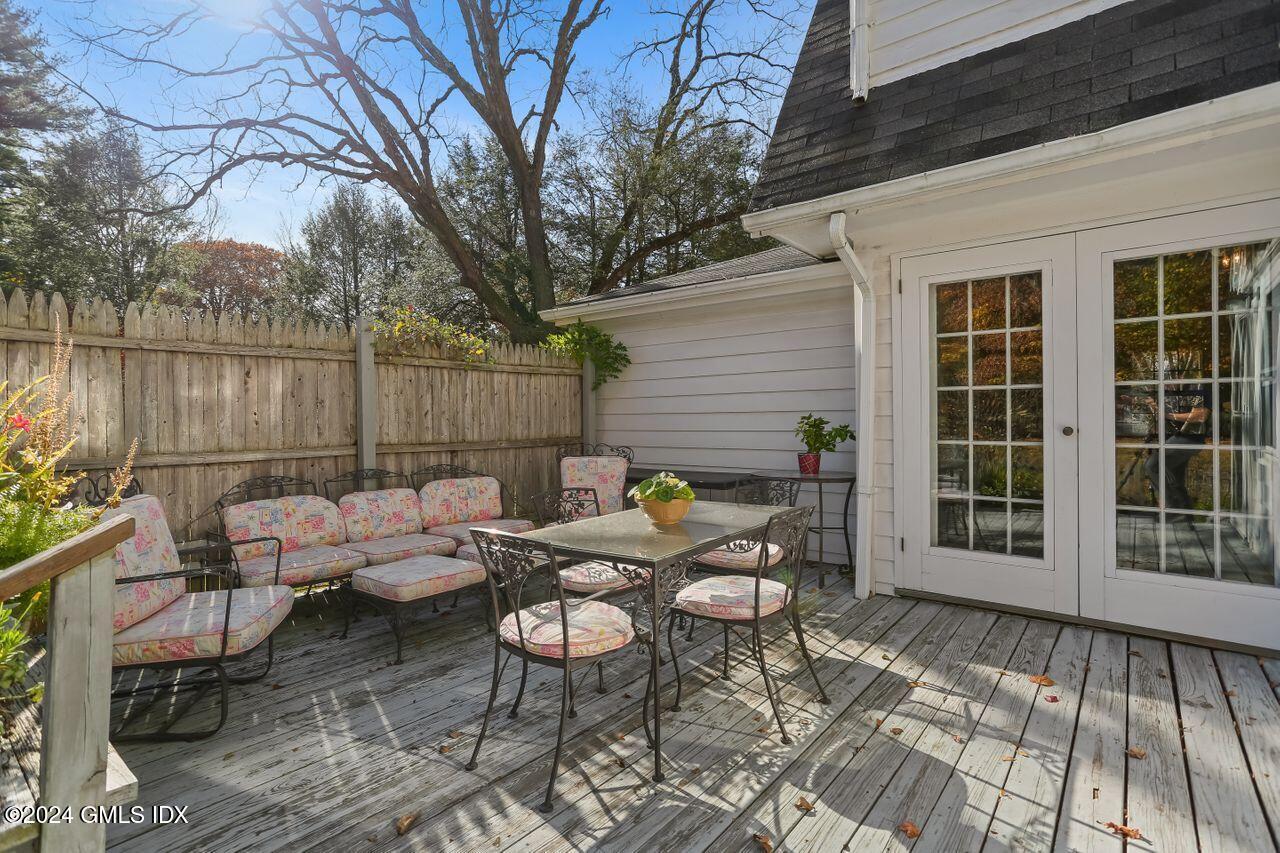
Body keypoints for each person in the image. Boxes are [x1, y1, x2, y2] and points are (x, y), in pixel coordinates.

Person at [1143, 384, 1210, 509]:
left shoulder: (1197, 388)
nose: (1167, 384)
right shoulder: (1171, 393)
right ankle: (1185, 514)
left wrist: (1167, 415)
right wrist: (1155, 408)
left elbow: (1200, 415)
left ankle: (1172, 507)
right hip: (1175, 438)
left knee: (1153, 465)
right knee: (1175, 479)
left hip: (1189, 439)